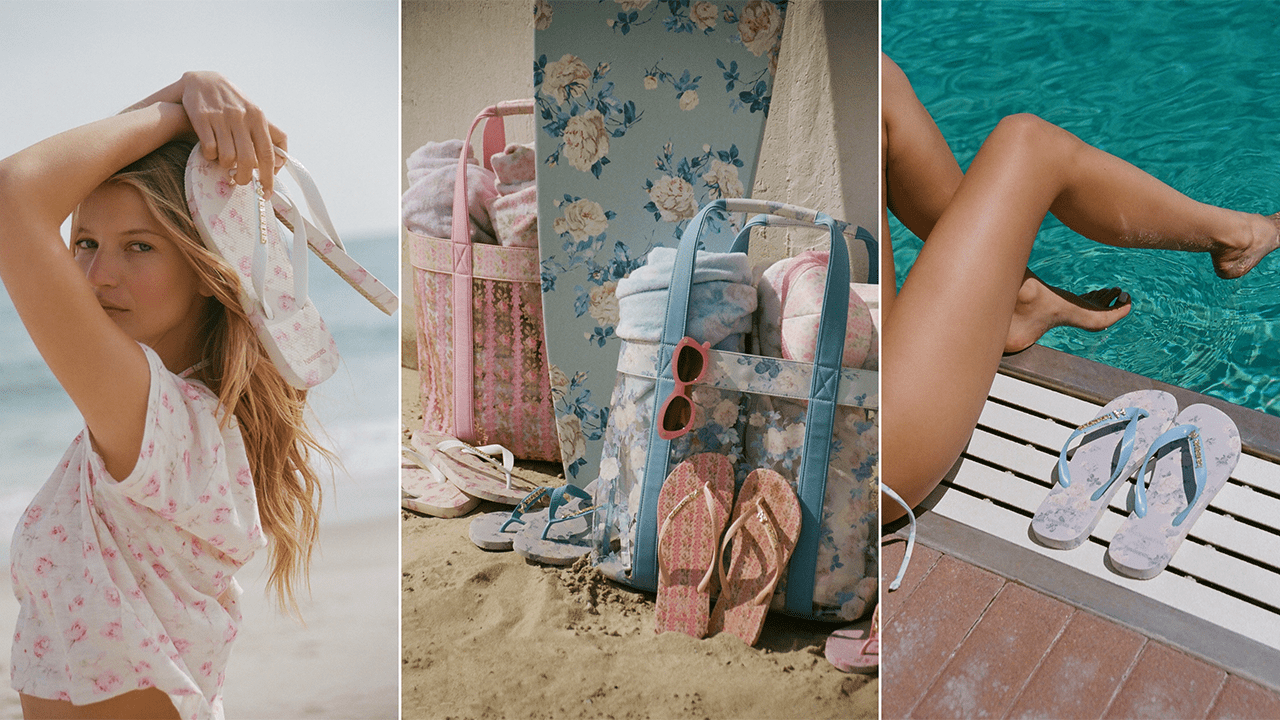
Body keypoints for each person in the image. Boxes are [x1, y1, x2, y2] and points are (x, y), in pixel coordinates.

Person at [0, 72, 326, 720]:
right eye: (85, 243)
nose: (96, 275)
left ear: (209, 271)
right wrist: (187, 91)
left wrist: (179, 113)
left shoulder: (165, 425)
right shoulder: (174, 420)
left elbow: (13, 198)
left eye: (139, 247)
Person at [880, 54, 1280, 522]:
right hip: (877, 455)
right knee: (1029, 144)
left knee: (880, 82)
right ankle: (1239, 236)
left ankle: (1018, 298)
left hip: (873, 419)